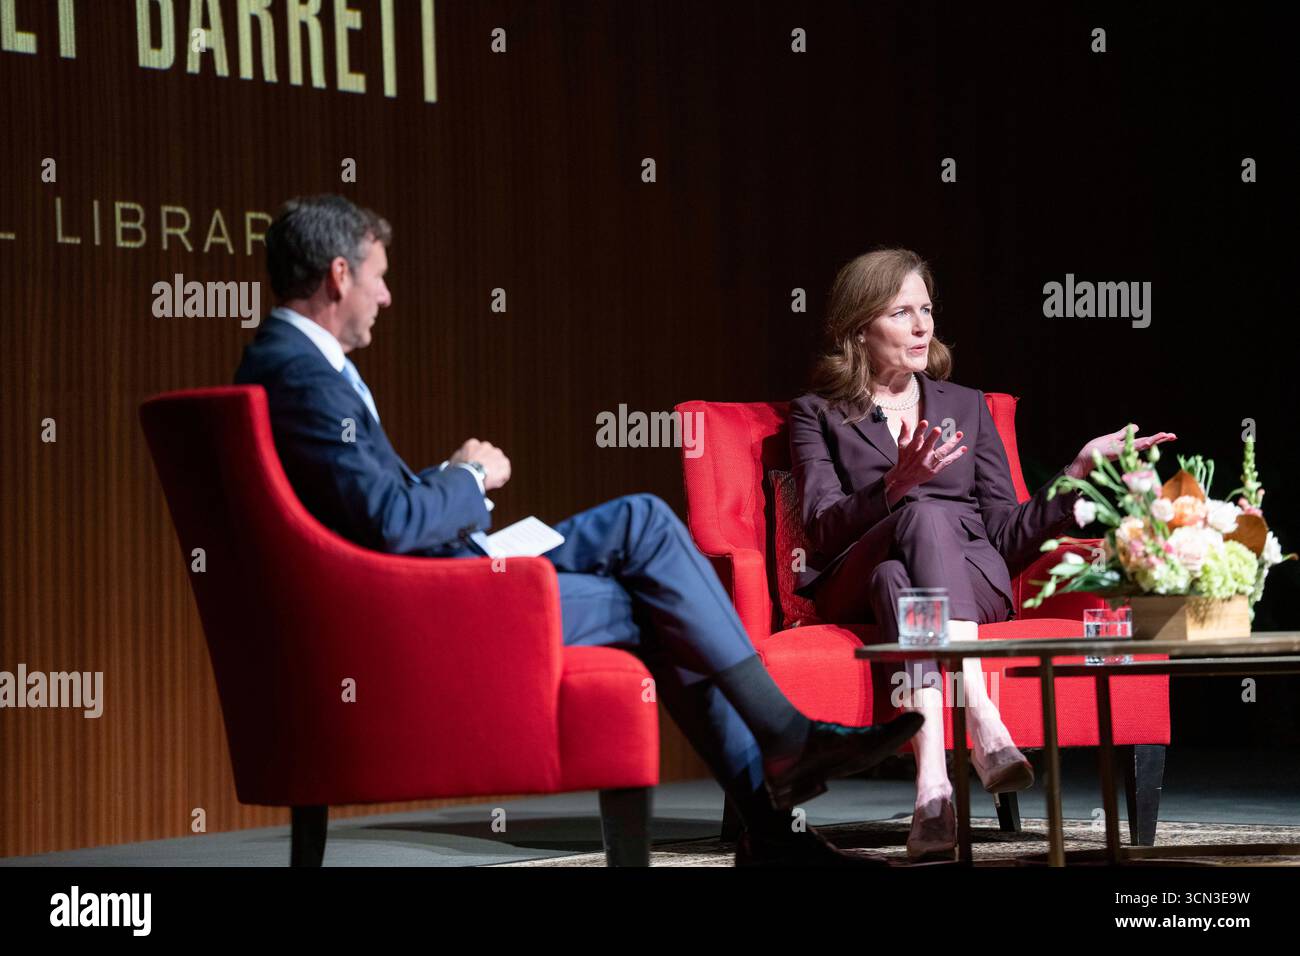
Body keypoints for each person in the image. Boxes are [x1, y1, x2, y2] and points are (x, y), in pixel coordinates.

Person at [234, 195, 923, 867]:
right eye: (379, 278)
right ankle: (780, 776)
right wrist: (467, 479)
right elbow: (388, 524)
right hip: (432, 603)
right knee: (660, 602)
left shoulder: (291, 364)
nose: (385, 297)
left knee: (642, 522)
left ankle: (781, 765)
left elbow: (364, 506)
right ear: (339, 275)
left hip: (442, 573)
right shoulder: (301, 374)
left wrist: (437, 479)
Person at [788, 248, 1176, 860]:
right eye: (901, 312)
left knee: (901, 575)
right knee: (916, 516)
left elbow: (1005, 532)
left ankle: (933, 785)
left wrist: (1074, 473)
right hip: (853, 575)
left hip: (970, 582)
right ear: (858, 327)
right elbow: (821, 529)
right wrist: (895, 485)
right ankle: (981, 714)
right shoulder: (819, 414)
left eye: (927, 310)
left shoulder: (967, 406)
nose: (922, 327)